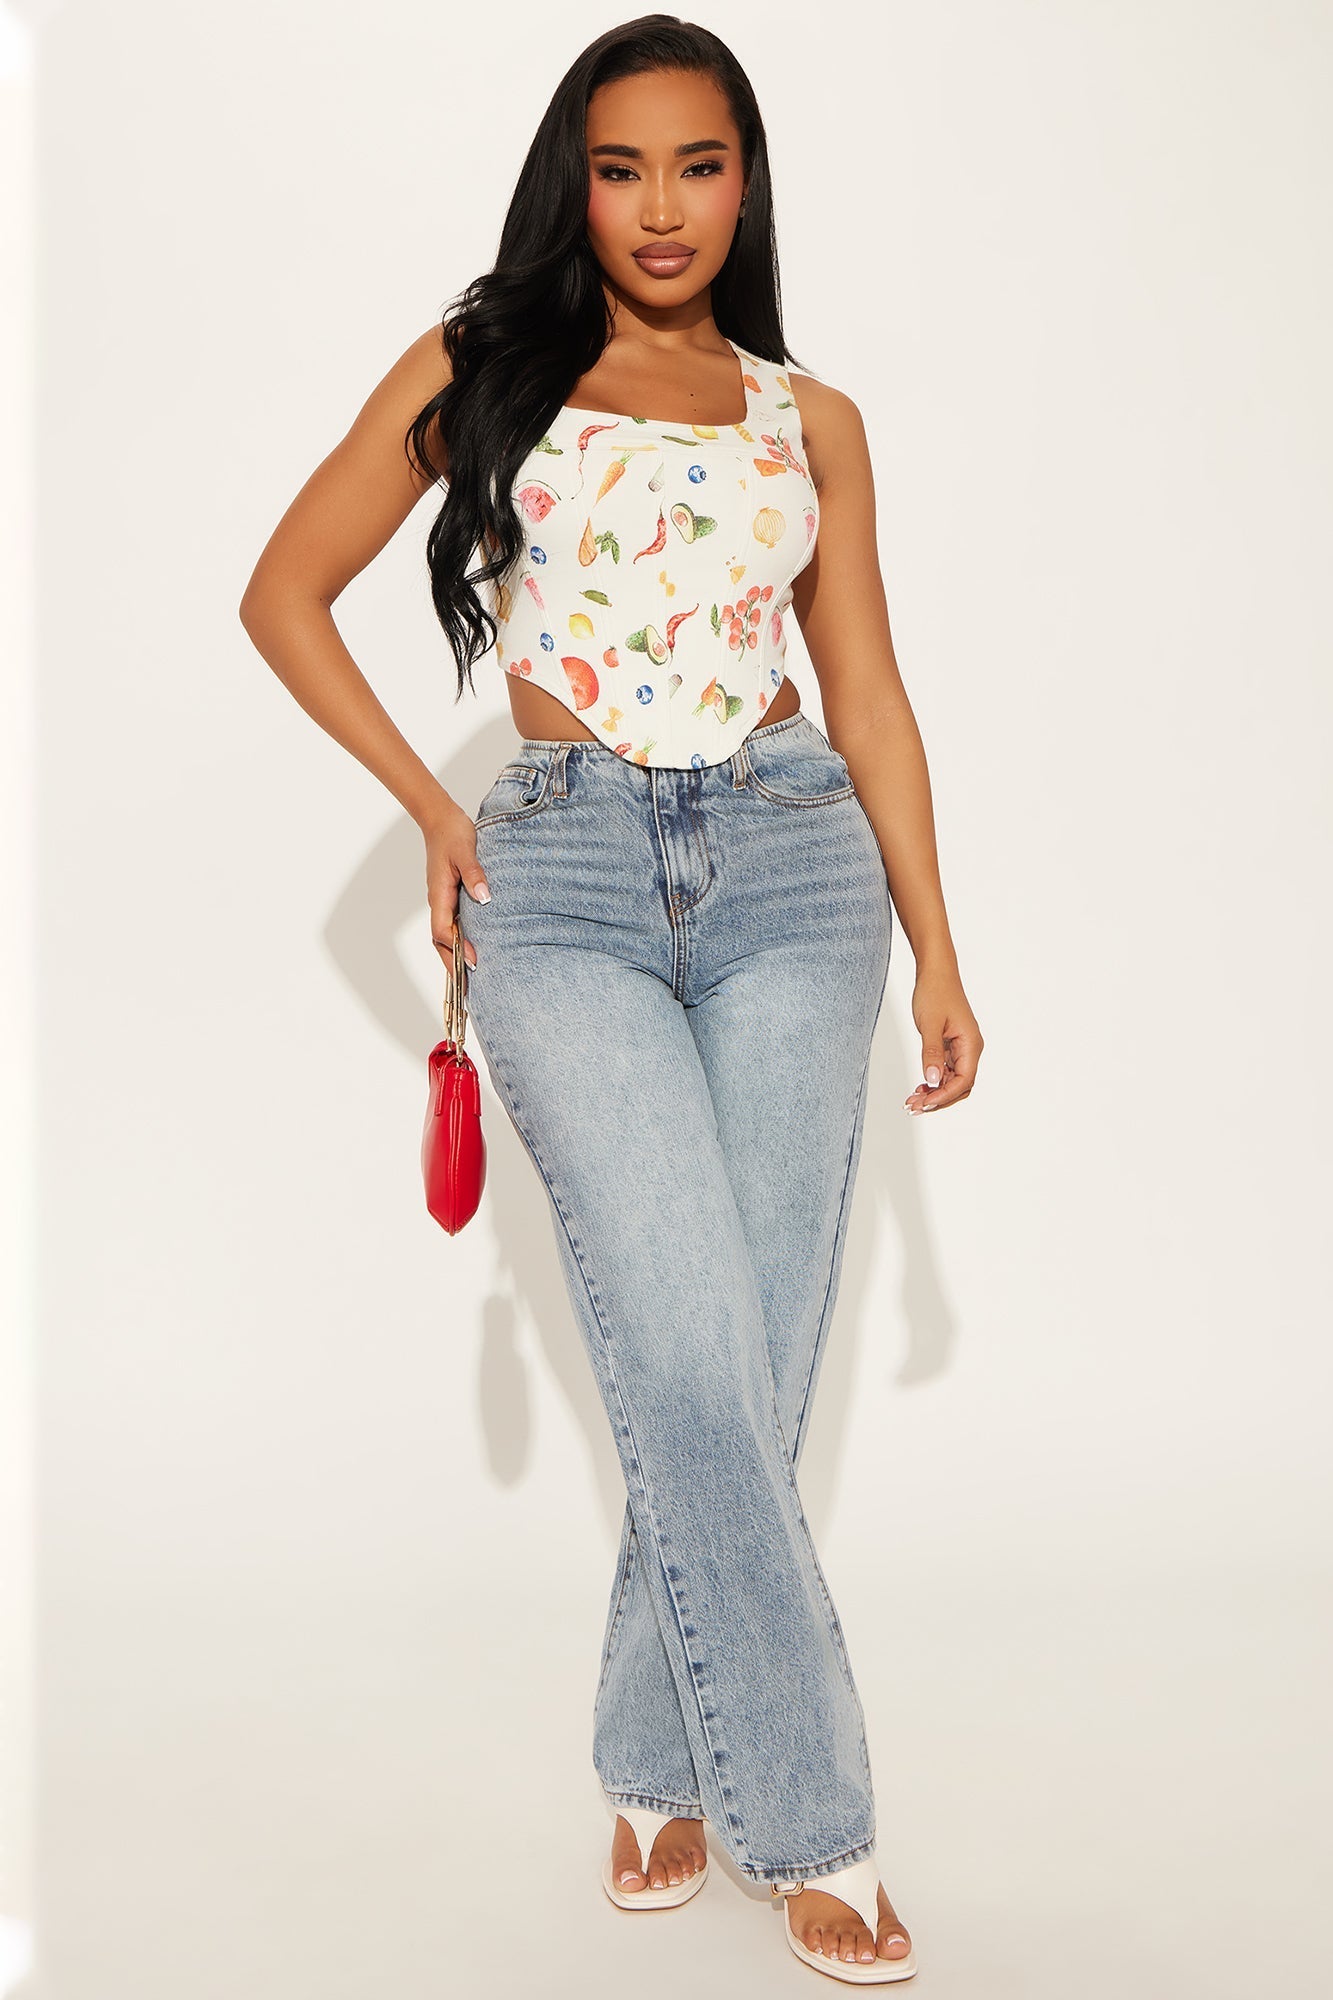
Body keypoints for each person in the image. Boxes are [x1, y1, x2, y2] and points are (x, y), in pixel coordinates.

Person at [239, 15, 982, 1984]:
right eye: (622, 165)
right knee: (682, 1343)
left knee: (751, 1356)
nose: (662, 207)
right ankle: (815, 1821)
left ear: (746, 183)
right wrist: (435, 808)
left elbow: (870, 691)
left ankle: (656, 1761)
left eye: (700, 165)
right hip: (560, 874)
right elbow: (282, 589)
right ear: (573, 183)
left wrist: (939, 942)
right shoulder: (484, 363)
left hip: (797, 866)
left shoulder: (810, 418)